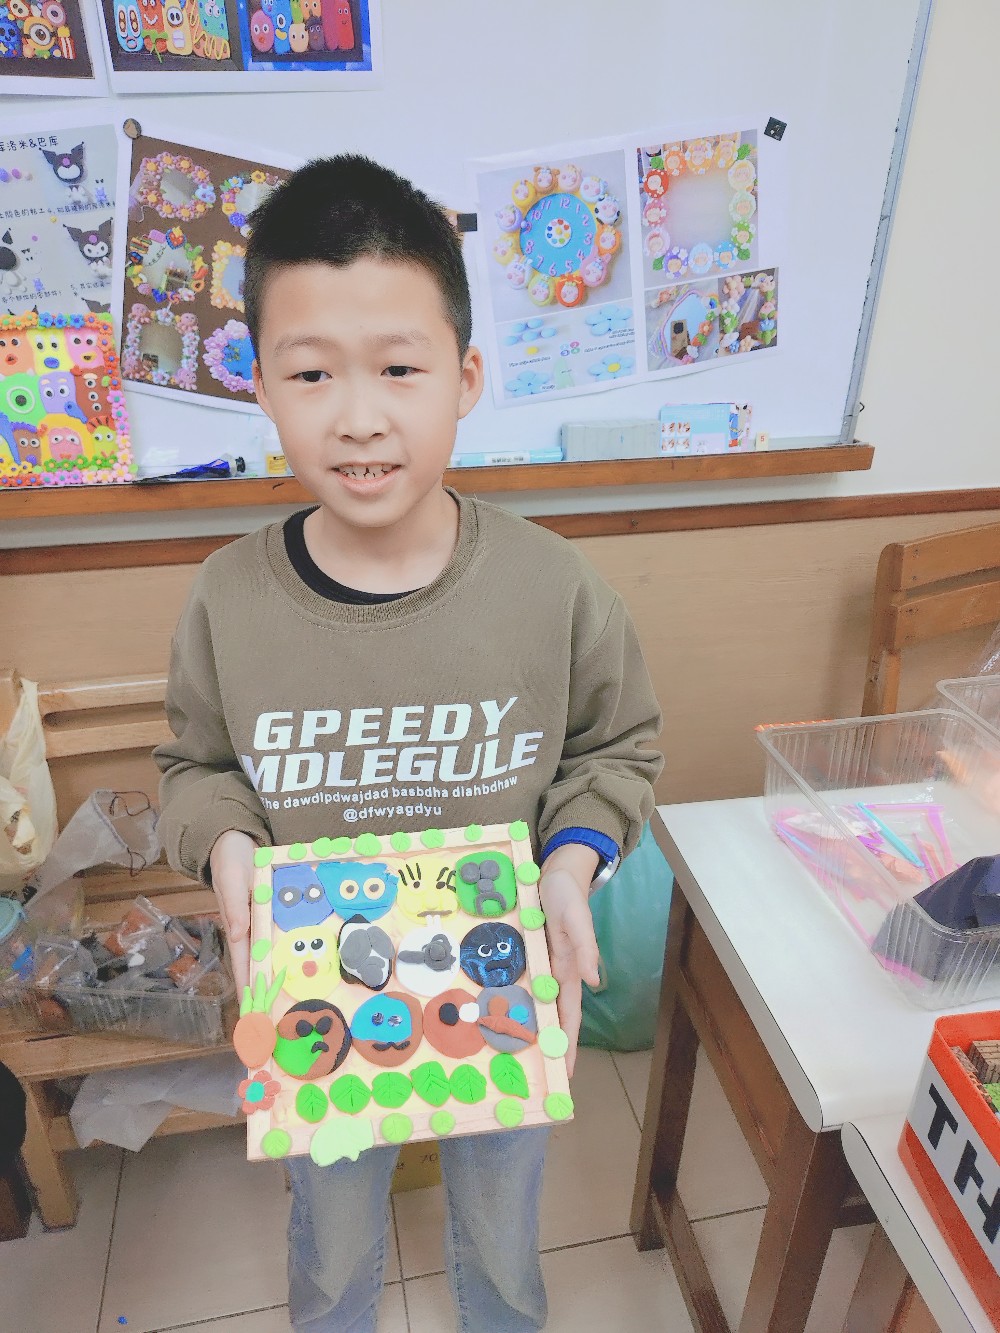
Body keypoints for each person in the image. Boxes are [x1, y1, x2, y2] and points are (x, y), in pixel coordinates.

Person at [154, 154, 662, 1333]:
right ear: (261, 388)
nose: (359, 414)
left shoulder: (551, 586)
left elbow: (616, 747)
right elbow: (196, 767)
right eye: (311, 372)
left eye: (397, 367)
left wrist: (572, 858)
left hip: (500, 983)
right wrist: (225, 847)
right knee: (331, 1235)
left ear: (464, 376)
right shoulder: (228, 597)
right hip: (319, 1001)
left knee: (502, 1221)